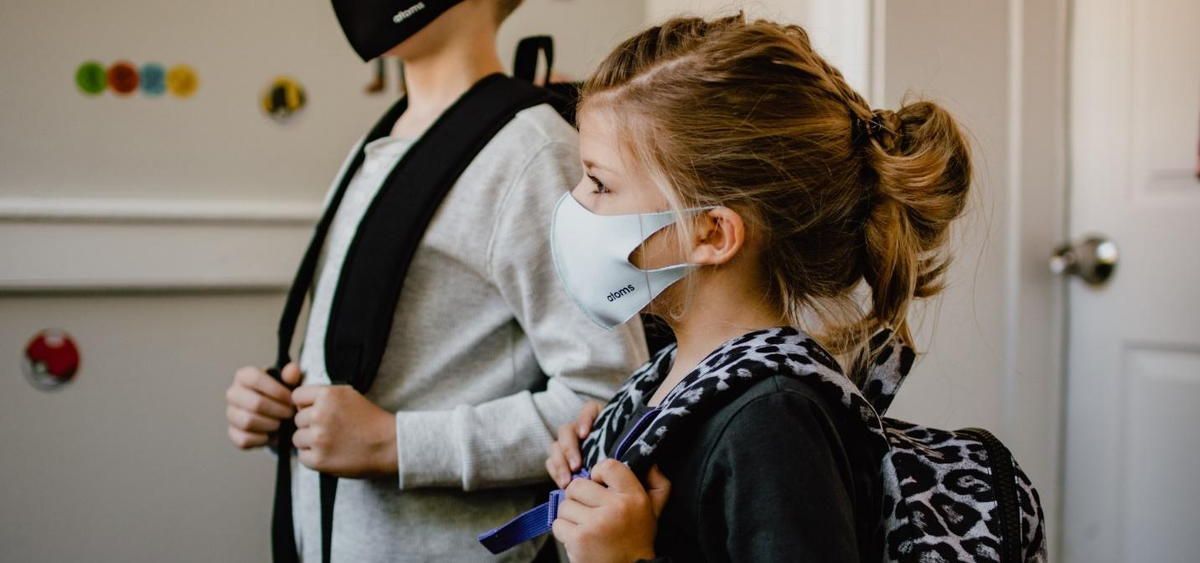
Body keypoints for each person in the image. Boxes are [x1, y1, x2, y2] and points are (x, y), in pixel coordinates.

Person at [223, 1, 647, 561]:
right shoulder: (376, 146)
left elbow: (609, 396)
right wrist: (285, 407)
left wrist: (392, 443)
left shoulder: (531, 154)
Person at [543, 14, 972, 562]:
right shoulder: (679, 376)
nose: (577, 202)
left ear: (712, 232)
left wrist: (625, 557)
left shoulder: (774, 426)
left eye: (600, 183)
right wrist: (607, 443)